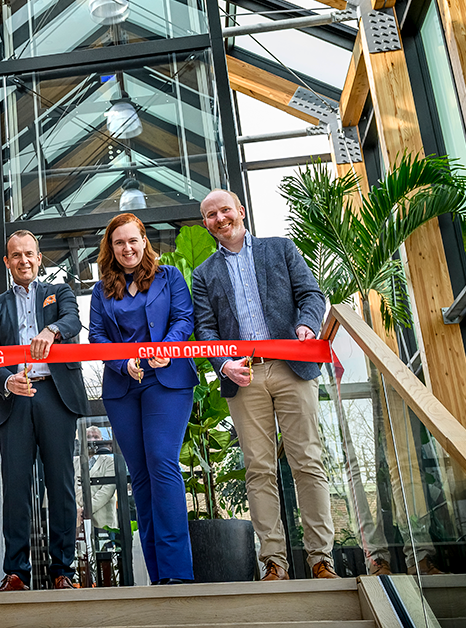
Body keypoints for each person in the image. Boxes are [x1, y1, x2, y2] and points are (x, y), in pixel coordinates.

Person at [192, 189, 337, 581]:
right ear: (205, 224)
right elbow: (205, 329)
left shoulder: (281, 249)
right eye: (210, 215)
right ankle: (274, 563)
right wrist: (223, 364)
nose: (220, 218)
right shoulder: (203, 274)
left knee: (307, 461)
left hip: (293, 368)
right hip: (245, 376)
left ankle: (321, 559)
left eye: (225, 210)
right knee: (258, 469)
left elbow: (311, 293)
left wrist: (307, 323)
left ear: (240, 210)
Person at [89, 213, 197, 585]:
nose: (127, 248)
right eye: (119, 243)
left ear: (144, 240)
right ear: (111, 249)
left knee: (162, 464)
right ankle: (158, 576)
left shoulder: (170, 278)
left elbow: (184, 320)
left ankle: (178, 574)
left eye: (133, 240)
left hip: (167, 381)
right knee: (141, 477)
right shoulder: (101, 290)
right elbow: (97, 338)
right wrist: (124, 362)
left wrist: (165, 349)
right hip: (123, 388)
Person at [0, 230, 90, 591]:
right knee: (14, 488)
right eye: (16, 255)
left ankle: (63, 572)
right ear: (7, 262)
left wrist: (52, 330)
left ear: (39, 258)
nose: (23, 260)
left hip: (56, 396)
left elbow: (74, 321)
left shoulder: (58, 293)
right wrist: (6, 381)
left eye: (29, 254)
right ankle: (16, 573)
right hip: (16, 398)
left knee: (59, 485)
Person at [76, 426, 118, 532]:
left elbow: (107, 491)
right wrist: (77, 510)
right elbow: (71, 487)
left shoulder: (110, 462)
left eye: (96, 437)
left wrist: (87, 510)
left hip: (103, 522)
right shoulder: (74, 462)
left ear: (101, 441)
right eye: (89, 437)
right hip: (78, 519)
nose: (92, 440)